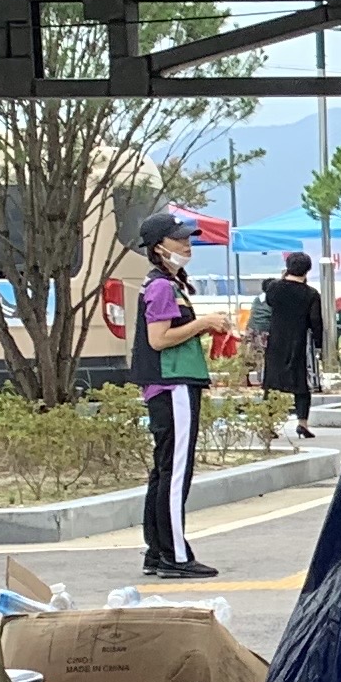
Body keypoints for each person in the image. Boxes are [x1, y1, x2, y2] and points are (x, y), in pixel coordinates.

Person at [129, 220, 215, 578]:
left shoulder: (167, 283)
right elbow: (159, 339)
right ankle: (175, 555)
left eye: (187, 238)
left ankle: (157, 551)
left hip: (170, 382)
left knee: (164, 468)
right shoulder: (162, 286)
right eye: (178, 239)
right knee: (176, 471)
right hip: (172, 384)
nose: (186, 244)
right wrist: (203, 323)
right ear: (158, 246)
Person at [256, 249, 327, 443]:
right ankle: (302, 423)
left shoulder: (275, 288)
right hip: (299, 342)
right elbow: (315, 321)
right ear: (307, 270)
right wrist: (319, 344)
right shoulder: (311, 294)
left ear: (287, 267)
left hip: (276, 340)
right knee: (301, 384)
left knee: (271, 384)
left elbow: (269, 302)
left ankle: (267, 425)